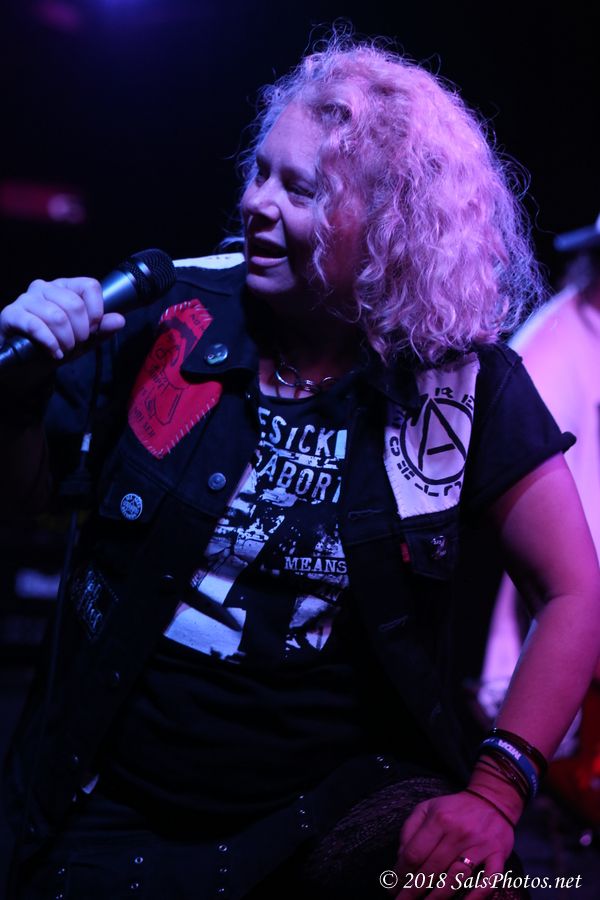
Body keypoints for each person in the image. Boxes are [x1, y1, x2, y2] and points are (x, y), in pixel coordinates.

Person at [1, 34, 599, 900]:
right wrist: (17, 395)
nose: (256, 203)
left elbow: (575, 591)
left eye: (300, 189)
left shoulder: (463, 382)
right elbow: (19, 503)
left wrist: (497, 793)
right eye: (260, 173)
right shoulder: (169, 314)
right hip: (113, 809)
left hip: (336, 811)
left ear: (391, 224)